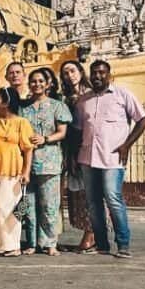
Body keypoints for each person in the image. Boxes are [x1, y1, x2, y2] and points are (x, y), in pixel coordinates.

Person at [74, 60, 145, 258]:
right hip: (87, 158)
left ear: (109, 75)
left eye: (101, 73)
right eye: (94, 73)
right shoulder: (83, 101)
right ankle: (102, 244)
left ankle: (123, 244)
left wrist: (127, 145)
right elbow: (78, 131)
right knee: (93, 201)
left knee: (113, 198)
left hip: (112, 158)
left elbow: (143, 120)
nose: (97, 76)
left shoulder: (123, 95)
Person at [20, 69, 71, 256]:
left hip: (49, 162)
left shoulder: (57, 106)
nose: (37, 84)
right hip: (27, 164)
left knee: (49, 206)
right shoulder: (24, 109)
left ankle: (50, 243)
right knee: (29, 207)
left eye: (41, 81)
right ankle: (32, 243)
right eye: (33, 81)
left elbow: (62, 132)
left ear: (47, 83)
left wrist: (45, 139)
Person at [0, 87, 34, 256]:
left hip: (12, 168)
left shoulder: (21, 122)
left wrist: (26, 172)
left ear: (7, 102)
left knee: (7, 207)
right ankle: (1, 245)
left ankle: (13, 245)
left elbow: (28, 149)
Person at [59, 60, 95, 252]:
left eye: (72, 71)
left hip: (89, 148)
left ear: (81, 72)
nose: (69, 75)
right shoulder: (65, 98)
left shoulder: (90, 95)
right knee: (77, 193)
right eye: (65, 73)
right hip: (71, 148)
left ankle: (91, 235)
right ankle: (89, 233)